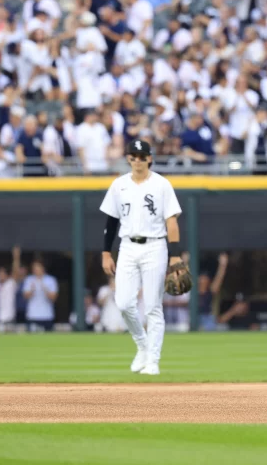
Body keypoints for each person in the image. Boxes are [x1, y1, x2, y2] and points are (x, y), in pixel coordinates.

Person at [99, 139, 184, 375]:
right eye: (133, 155)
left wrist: (175, 256)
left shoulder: (162, 184)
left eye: (141, 155)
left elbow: (172, 221)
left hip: (155, 246)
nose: (137, 160)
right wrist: (106, 253)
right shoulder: (119, 185)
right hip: (127, 246)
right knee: (124, 303)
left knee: (152, 307)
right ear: (128, 158)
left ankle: (153, 361)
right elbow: (111, 222)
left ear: (150, 158)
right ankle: (142, 345)